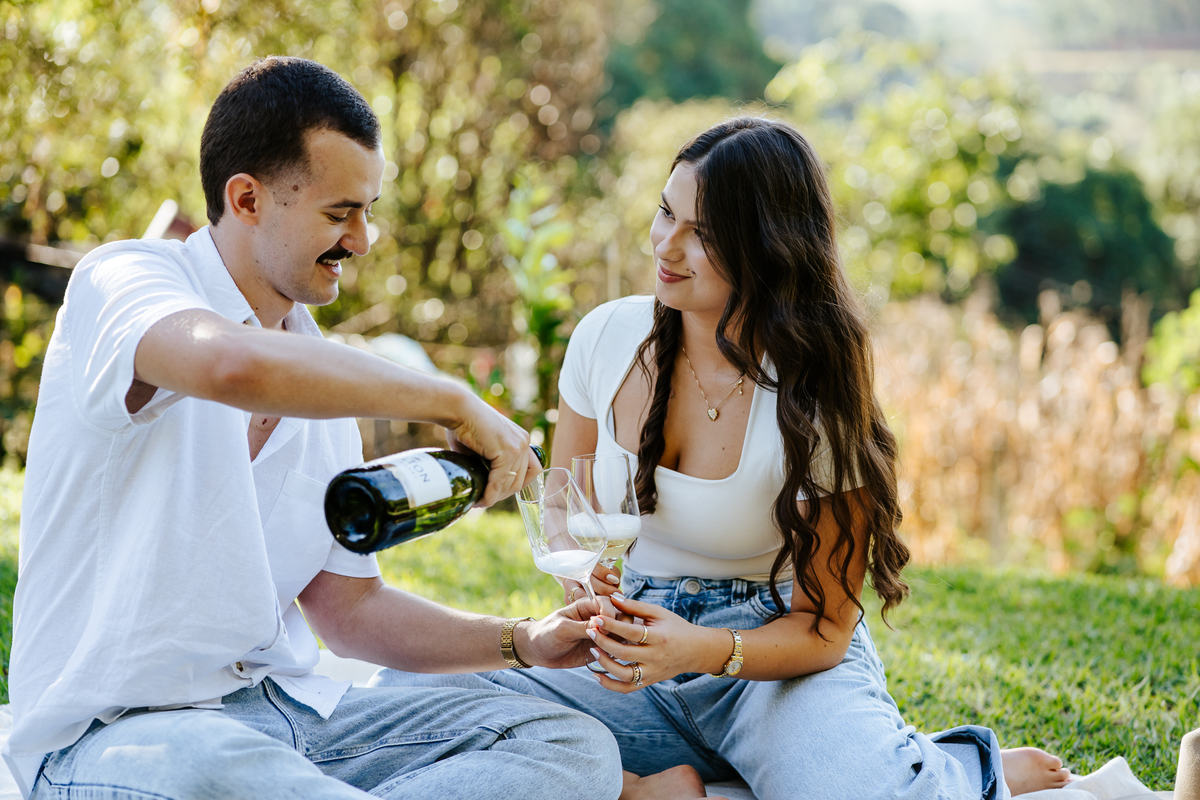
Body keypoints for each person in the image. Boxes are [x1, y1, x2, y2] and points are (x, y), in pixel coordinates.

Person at [374, 117, 1073, 800]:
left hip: (773, 666)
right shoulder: (605, 339)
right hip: (631, 653)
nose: (667, 246)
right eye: (665, 213)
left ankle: (953, 766)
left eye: (702, 233)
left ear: (768, 247)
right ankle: (640, 786)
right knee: (410, 687)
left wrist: (704, 651)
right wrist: (581, 574)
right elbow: (564, 495)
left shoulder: (817, 389)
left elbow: (826, 628)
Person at [5, 57, 623, 800]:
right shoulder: (125, 281)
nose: (364, 241)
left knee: (566, 744)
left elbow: (351, 613)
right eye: (340, 214)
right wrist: (452, 401)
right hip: (117, 737)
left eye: (368, 210)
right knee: (223, 768)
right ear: (248, 199)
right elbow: (228, 364)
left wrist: (521, 640)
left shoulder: (316, 367)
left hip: (290, 715)